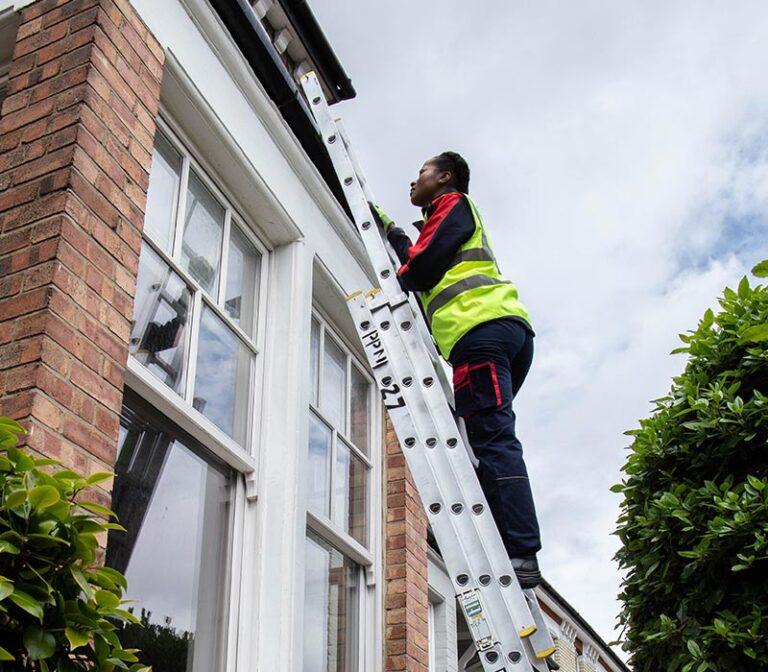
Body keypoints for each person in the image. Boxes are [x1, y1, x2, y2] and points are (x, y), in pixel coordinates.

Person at [371, 152, 542, 588]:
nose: (414, 180)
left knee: (494, 439)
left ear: (444, 178)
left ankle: (521, 553)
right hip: (499, 334)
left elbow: (420, 271)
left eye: (421, 173)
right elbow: (425, 259)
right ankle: (503, 541)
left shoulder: (454, 205)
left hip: (480, 334)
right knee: (484, 439)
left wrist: (404, 263)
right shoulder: (440, 222)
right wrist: (391, 232)